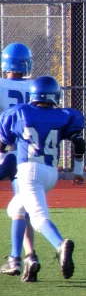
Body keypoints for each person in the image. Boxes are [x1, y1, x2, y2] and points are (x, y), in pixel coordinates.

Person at [0, 75, 85, 280]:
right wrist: (79, 170)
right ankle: (16, 257)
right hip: (50, 174)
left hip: (28, 171)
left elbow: (3, 144)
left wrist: (3, 156)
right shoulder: (64, 115)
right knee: (16, 209)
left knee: (38, 217)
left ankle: (59, 245)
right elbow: (79, 143)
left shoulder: (19, 113)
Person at [0, 43, 38, 282]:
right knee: (23, 208)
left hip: (6, 152)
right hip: (29, 153)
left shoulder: (2, 85)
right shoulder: (37, 87)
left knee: (20, 209)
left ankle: (20, 258)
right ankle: (27, 256)